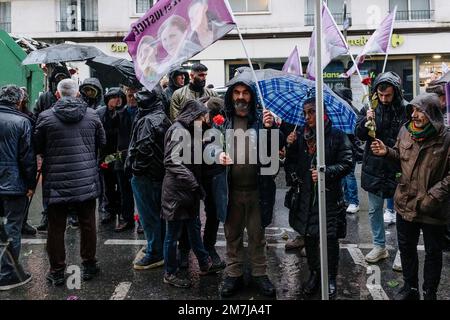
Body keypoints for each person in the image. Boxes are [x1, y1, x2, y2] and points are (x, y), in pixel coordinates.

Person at [371, 93, 450, 300]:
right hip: (405, 202)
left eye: (419, 111)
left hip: (433, 207)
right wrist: (386, 152)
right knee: (406, 248)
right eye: (413, 110)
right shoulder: (406, 131)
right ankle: (410, 288)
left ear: (432, 114)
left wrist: (434, 196)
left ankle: (429, 292)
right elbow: (400, 158)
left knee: (433, 252)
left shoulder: (446, 137)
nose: (413, 115)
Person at [33, 79, 106, 285]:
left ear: (57, 95)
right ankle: (89, 264)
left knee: (56, 227)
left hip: (56, 181)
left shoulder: (45, 117)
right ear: (77, 94)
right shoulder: (92, 115)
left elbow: (37, 145)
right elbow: (102, 141)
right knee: (88, 223)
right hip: (86, 180)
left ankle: (57, 271)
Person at [285, 98, 352, 299]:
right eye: (305, 113)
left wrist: (325, 172)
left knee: (330, 239)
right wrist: (289, 147)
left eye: (312, 112)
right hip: (306, 197)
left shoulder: (338, 136)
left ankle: (330, 277)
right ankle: (315, 273)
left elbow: (348, 162)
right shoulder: (299, 136)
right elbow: (291, 163)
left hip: (330, 198)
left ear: (323, 112)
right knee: (310, 238)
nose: (308, 117)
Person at [218, 79, 278, 298]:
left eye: (245, 93)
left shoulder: (263, 121)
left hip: (257, 190)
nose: (240, 97)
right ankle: (233, 273)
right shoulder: (223, 122)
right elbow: (209, 145)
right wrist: (217, 154)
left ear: (252, 97)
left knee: (257, 234)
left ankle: (260, 273)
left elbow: (276, 152)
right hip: (231, 190)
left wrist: (271, 130)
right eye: (236, 92)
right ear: (231, 96)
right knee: (232, 234)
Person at [161, 100, 223, 288]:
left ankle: (204, 264)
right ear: (192, 116)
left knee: (194, 228)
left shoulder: (189, 130)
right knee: (172, 235)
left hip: (189, 191)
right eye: (201, 116)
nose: (204, 120)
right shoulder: (178, 130)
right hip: (177, 192)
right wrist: (194, 183)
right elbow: (172, 161)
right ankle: (170, 273)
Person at [355, 71, 409, 264]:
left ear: (396, 92)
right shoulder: (370, 107)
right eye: (381, 95)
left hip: (397, 166)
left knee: (403, 212)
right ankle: (379, 247)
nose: (384, 99)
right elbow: (359, 134)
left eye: (388, 95)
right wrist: (365, 121)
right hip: (374, 168)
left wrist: (389, 150)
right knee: (374, 210)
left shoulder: (405, 110)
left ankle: (404, 251)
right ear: (376, 92)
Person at [126, 89, 172, 270]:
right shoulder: (162, 116)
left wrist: (136, 170)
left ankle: (155, 252)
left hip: (146, 176)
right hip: (159, 173)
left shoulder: (146, 120)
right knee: (158, 215)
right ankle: (159, 248)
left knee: (149, 216)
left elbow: (144, 148)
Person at [0, 85, 36, 290]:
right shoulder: (22, 122)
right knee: (12, 227)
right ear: (18, 101)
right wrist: (30, 184)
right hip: (13, 184)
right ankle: (8, 274)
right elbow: (27, 158)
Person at [34, 66, 71, 232]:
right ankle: (46, 215)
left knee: (69, 182)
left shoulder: (74, 98)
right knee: (48, 184)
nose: (59, 81)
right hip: (50, 147)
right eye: (57, 78)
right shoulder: (46, 98)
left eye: (63, 77)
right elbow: (36, 119)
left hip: (67, 146)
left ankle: (70, 214)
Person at [198, 96, 227, 268]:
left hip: (214, 175)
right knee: (193, 216)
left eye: (205, 112)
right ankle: (186, 250)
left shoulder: (221, 127)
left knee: (213, 213)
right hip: (196, 176)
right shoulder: (195, 126)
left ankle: (209, 246)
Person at [96, 88, 125, 225]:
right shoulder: (100, 113)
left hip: (119, 153)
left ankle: (120, 210)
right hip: (105, 154)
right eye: (114, 97)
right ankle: (109, 210)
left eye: (119, 97)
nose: (117, 100)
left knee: (121, 184)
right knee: (107, 184)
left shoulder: (123, 113)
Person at [113, 86, 140, 233]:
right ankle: (127, 219)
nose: (132, 99)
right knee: (124, 191)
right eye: (129, 96)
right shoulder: (120, 113)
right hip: (122, 157)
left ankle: (141, 220)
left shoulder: (143, 112)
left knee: (141, 192)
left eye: (134, 96)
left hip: (139, 157)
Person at [333, 87, 362, 214]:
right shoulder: (342, 110)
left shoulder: (350, 111)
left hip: (349, 149)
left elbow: (354, 133)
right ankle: (346, 200)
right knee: (344, 175)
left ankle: (353, 202)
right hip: (342, 148)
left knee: (349, 175)